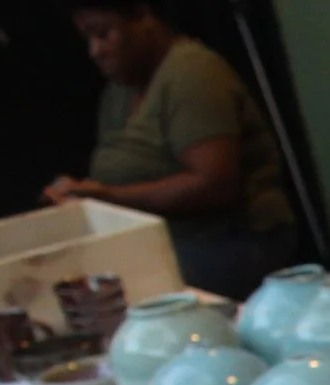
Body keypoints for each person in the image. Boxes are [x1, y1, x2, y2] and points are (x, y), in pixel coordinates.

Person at [46, 0, 299, 300]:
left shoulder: (192, 73)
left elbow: (214, 185)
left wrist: (111, 197)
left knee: (130, 297)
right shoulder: (120, 90)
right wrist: (79, 195)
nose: (95, 51)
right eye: (88, 38)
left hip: (224, 240)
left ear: (143, 15)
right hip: (159, 240)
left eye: (103, 34)